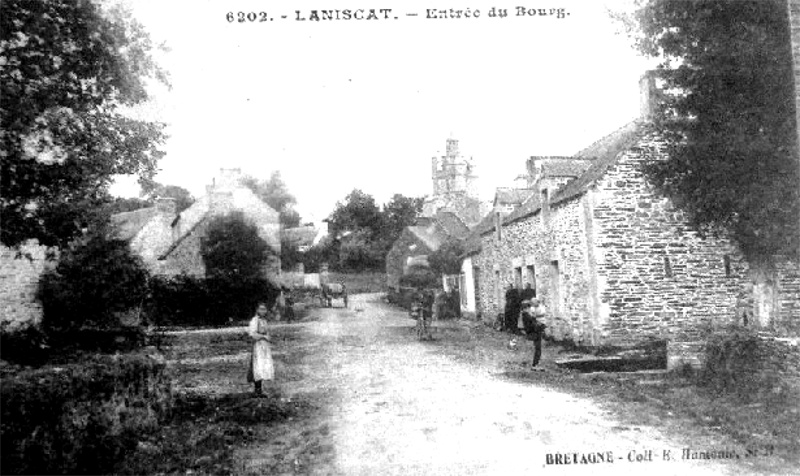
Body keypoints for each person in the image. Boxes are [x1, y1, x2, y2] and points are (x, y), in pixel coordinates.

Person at [247, 302, 275, 395]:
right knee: (258, 365)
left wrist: (268, 337)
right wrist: (263, 337)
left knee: (264, 365)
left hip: (264, 346)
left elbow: (266, 331)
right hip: (258, 345)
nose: (263, 311)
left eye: (264, 309)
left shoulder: (264, 320)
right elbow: (252, 334)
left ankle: (260, 389)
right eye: (261, 309)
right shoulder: (255, 320)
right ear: (257, 310)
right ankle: (257, 389)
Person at [521, 298, 547, 369]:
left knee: (537, 349)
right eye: (529, 308)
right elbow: (531, 326)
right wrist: (540, 327)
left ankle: (535, 364)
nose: (530, 309)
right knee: (538, 349)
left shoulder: (526, 315)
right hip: (534, 333)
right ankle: (535, 364)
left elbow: (533, 322)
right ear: (526, 308)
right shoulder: (526, 316)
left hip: (533, 332)